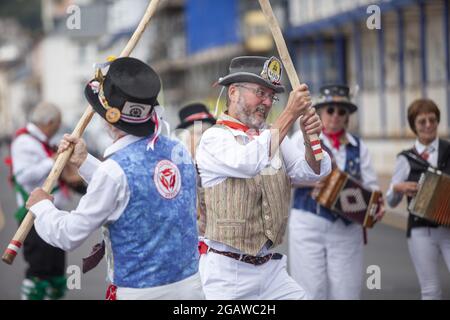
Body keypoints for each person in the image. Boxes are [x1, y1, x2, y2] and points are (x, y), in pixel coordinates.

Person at [25, 57, 204, 300]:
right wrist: (84, 161)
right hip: (191, 289)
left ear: (107, 119)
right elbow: (134, 187)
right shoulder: (178, 149)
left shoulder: (114, 171)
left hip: (141, 294)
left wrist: (42, 206)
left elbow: (69, 234)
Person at [196, 55, 332, 300]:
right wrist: (289, 113)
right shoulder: (213, 138)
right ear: (234, 92)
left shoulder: (273, 134)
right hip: (226, 274)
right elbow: (248, 161)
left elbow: (313, 173)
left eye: (272, 96)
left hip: (271, 271)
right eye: (260, 92)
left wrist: (311, 140)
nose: (267, 102)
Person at [289, 84, 384, 300]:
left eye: (342, 111)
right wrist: (313, 183)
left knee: (346, 293)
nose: (335, 116)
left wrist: (377, 205)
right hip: (308, 225)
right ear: (320, 111)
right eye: (330, 110)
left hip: (346, 229)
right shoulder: (300, 138)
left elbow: (372, 186)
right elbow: (285, 177)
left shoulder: (358, 147)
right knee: (310, 292)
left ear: (347, 116)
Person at [8, 101, 82, 300]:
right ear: (49, 122)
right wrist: (52, 160)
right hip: (33, 217)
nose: (58, 128)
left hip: (51, 213)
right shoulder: (24, 142)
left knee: (55, 272)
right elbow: (23, 176)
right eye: (57, 124)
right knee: (39, 272)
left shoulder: (40, 141)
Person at [386, 98, 450, 300]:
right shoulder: (406, 159)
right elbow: (391, 200)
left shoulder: (448, 151)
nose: (428, 125)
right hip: (421, 231)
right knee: (431, 290)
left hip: (449, 229)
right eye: (422, 121)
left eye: (432, 120)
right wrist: (399, 187)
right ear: (414, 125)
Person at [175, 102, 216, 236]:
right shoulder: (177, 170)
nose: (204, 138)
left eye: (207, 132)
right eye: (198, 133)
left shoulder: (221, 165)